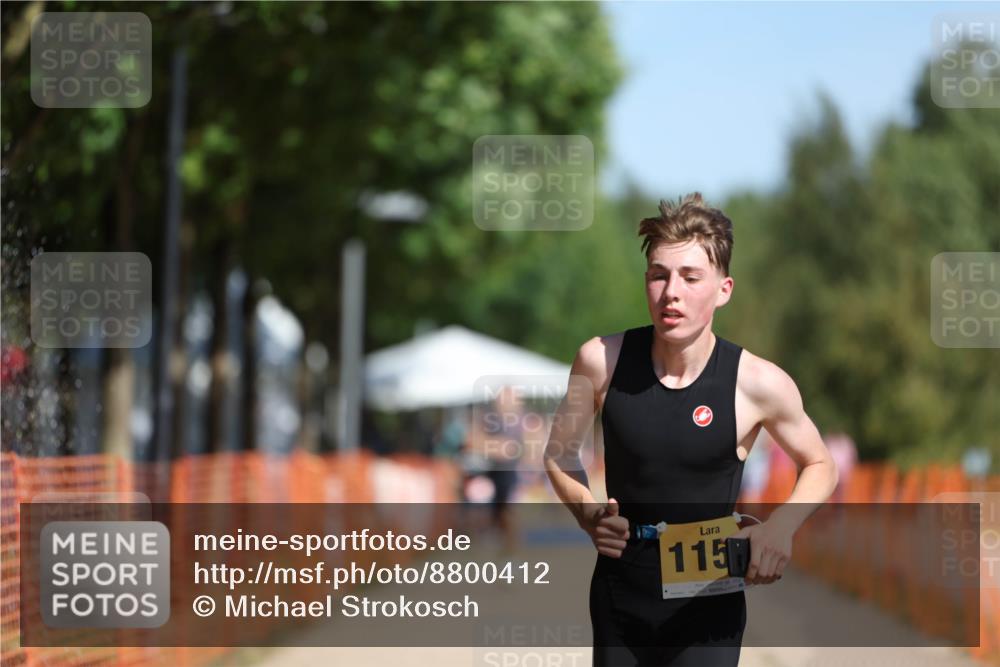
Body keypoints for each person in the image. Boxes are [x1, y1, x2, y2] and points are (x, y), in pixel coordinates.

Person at [543, 193, 839, 666]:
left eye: (690, 277)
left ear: (723, 289)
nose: (671, 292)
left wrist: (781, 528)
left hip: (709, 603)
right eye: (659, 275)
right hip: (621, 593)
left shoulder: (758, 383)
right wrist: (588, 513)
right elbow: (558, 454)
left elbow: (821, 464)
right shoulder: (600, 360)